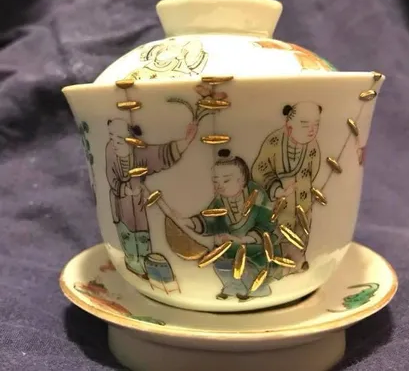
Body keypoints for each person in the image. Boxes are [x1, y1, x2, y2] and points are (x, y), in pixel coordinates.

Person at [158, 149, 280, 301]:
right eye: (215, 181)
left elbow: (267, 224)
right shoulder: (219, 201)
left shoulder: (257, 196)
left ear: (242, 180)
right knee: (220, 262)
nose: (219, 186)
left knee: (250, 267)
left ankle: (257, 289)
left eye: (226, 180)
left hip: (256, 248)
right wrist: (188, 222)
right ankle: (233, 286)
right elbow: (208, 220)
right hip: (230, 247)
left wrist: (243, 240)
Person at [105, 118, 197, 278]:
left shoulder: (140, 151)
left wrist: (186, 141)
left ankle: (145, 268)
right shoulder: (110, 150)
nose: (114, 143)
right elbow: (110, 176)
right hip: (120, 202)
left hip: (139, 202)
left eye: (119, 139)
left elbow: (161, 154)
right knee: (126, 234)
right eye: (111, 137)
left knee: (141, 235)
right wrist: (124, 189)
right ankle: (133, 265)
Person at [251, 102, 322, 272]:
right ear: (289, 126)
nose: (312, 130)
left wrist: (304, 187)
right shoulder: (274, 141)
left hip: (303, 201)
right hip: (278, 202)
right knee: (277, 235)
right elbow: (260, 169)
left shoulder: (313, 146)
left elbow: (314, 170)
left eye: (316, 125)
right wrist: (276, 189)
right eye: (305, 125)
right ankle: (276, 269)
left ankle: (296, 265)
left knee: (301, 231)